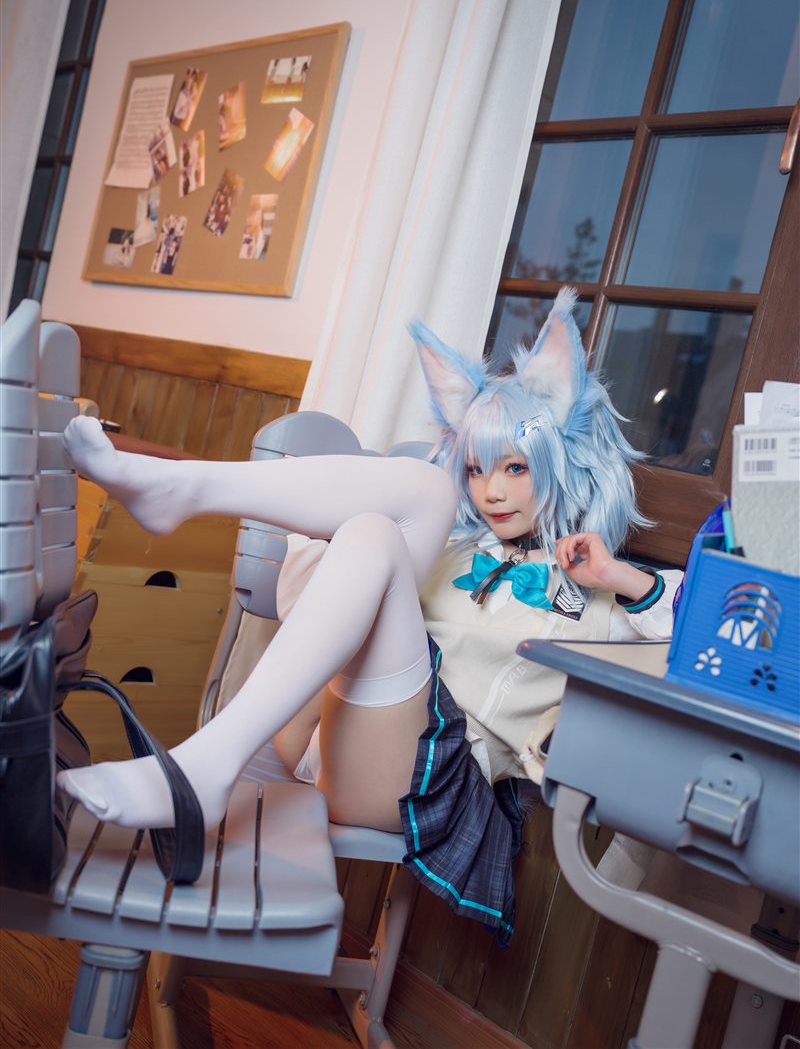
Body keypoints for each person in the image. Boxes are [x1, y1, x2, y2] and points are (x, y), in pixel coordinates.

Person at [57, 288, 679, 941]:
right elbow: (306, 597)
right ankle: (182, 491)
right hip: (311, 730)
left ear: (557, 461)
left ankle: (202, 758)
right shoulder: (451, 546)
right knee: (398, 511)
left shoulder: (601, 603)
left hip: (419, 781)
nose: (490, 490)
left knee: (397, 515)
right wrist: (344, 552)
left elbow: (701, 643)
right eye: (475, 468)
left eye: (515, 467)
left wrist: (618, 577)